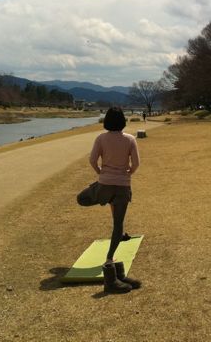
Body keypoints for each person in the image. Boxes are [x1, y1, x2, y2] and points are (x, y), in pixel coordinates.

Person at [89, 106, 141, 293]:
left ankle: (95, 192)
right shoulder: (129, 139)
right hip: (121, 185)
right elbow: (136, 164)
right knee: (118, 223)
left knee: (95, 197)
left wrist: (100, 173)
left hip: (104, 184)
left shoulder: (101, 138)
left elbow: (92, 160)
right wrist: (128, 173)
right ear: (123, 121)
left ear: (107, 121)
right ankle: (110, 259)